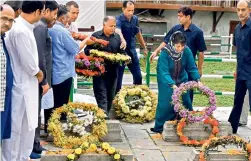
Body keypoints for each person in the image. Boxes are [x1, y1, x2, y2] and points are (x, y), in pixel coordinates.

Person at [1, 1, 44, 161]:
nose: (7, 23)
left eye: (9, 19)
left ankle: (21, 157)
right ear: (39, 11)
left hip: (25, 84)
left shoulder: (22, 27)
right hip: (20, 85)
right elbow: (28, 63)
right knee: (15, 128)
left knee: (26, 126)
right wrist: (38, 73)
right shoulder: (19, 30)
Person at [150, 6, 206, 104]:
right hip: (174, 67)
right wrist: (156, 51)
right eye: (178, 16)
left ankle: (186, 114)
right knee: (173, 91)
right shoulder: (175, 29)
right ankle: (174, 114)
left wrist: (200, 69)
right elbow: (165, 41)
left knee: (188, 93)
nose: (178, 18)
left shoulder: (198, 32)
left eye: (181, 16)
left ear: (188, 17)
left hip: (188, 66)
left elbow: (201, 52)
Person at [45, 5, 89, 127]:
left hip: (51, 72)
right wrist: (86, 40)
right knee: (61, 105)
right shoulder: (62, 31)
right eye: (69, 17)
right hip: (63, 73)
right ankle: (58, 130)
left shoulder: (48, 28)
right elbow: (75, 49)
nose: (70, 20)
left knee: (50, 104)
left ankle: (50, 128)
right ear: (63, 18)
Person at [150, 31, 201, 133]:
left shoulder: (186, 51)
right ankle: (160, 127)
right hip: (166, 80)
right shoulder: (165, 53)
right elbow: (163, 71)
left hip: (182, 78)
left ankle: (187, 123)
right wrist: (172, 84)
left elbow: (192, 67)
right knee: (166, 102)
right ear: (172, 44)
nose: (180, 49)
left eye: (182, 46)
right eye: (178, 46)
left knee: (185, 100)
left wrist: (197, 80)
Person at [31, 1, 58, 159]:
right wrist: (44, 81)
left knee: (37, 111)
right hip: (39, 79)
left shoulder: (41, 26)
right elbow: (40, 56)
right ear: (45, 11)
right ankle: (34, 145)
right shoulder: (40, 27)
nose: (55, 17)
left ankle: (34, 144)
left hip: (40, 78)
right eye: (54, 13)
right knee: (35, 113)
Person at [85, 16, 125, 117]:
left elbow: (121, 52)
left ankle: (104, 115)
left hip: (113, 72)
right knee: (101, 95)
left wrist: (125, 57)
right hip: (99, 72)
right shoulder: (96, 36)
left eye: (114, 26)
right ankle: (103, 116)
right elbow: (87, 50)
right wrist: (94, 53)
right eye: (111, 26)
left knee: (110, 95)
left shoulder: (117, 37)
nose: (113, 28)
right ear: (104, 25)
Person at [228, 0, 251, 134]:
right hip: (241, 71)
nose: (240, 13)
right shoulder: (237, 28)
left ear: (249, 10)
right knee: (237, 100)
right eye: (238, 10)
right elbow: (239, 52)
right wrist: (236, 69)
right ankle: (232, 128)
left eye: (243, 10)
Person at [115, 1, 148, 94]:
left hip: (132, 52)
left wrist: (144, 47)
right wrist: (123, 40)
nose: (130, 13)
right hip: (121, 52)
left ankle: (136, 97)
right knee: (118, 80)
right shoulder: (118, 19)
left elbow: (138, 33)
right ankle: (116, 101)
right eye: (128, 10)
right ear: (123, 9)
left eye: (132, 10)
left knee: (138, 77)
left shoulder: (135, 19)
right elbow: (117, 30)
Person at [0, 4, 15, 141]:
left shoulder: (3, 39)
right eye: (4, 18)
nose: (7, 23)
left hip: (2, 100)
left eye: (11, 20)